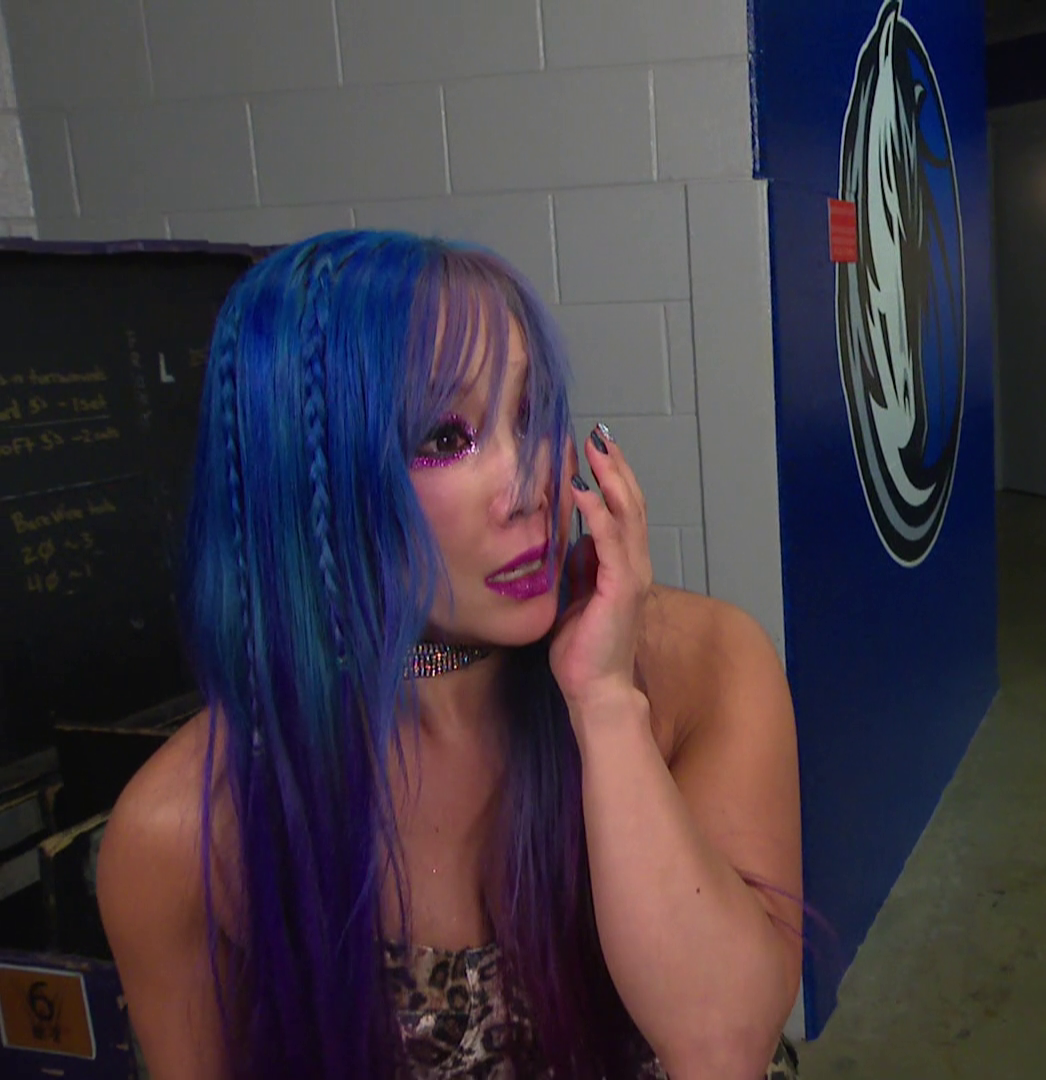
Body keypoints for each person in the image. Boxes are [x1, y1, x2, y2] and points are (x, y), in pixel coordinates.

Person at [95, 230, 805, 1080]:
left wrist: (606, 703)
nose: (529, 486)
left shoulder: (705, 665)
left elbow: (725, 1048)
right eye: (442, 436)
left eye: (531, 414)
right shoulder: (184, 831)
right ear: (304, 484)